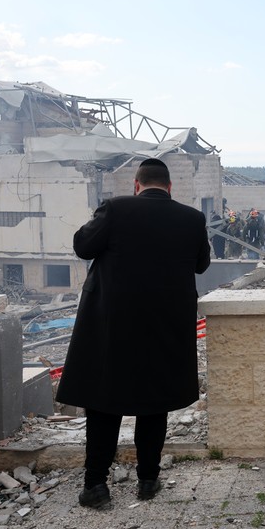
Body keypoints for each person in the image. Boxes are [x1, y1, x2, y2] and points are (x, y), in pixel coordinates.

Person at [56, 158, 210, 509]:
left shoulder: (115, 208)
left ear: (136, 185)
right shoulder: (192, 218)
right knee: (154, 402)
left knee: (104, 402)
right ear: (170, 187)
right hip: (165, 324)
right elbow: (201, 264)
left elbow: (83, 246)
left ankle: (96, 485)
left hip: (112, 323)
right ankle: (148, 479)